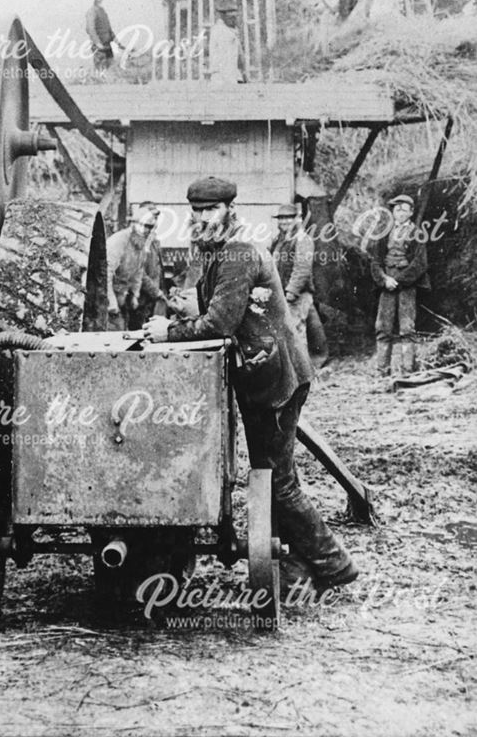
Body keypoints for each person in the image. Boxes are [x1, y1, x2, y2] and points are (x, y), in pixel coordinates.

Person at [143, 176, 358, 594]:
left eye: (212, 209)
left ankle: (335, 564)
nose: (203, 217)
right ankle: (294, 569)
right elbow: (224, 306)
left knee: (277, 480)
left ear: (229, 210)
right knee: (268, 474)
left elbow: (220, 323)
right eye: (198, 211)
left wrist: (169, 331)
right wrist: (191, 306)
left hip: (275, 378)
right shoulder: (219, 250)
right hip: (262, 373)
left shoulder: (238, 251)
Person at [368, 193, 429, 377]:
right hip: (387, 284)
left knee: (407, 328)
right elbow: (375, 260)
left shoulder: (417, 234)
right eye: (396, 209)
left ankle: (407, 372)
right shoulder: (384, 232)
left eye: (404, 210)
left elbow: (420, 264)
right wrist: (384, 279)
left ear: (411, 213)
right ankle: (382, 372)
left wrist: (400, 281)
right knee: (383, 327)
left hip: (406, 286)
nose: (400, 213)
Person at [269, 204, 328, 369]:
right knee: (301, 329)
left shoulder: (303, 240)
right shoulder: (278, 241)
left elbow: (302, 268)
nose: (284, 222)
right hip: (281, 293)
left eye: (288, 218)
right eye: (281, 218)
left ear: (298, 220)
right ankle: (304, 366)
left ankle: (301, 370)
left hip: (296, 295)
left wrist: (291, 291)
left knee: (296, 332)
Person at [106, 206, 159, 331]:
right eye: (144, 226)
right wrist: (111, 301)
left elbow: (138, 272)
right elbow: (106, 273)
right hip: (108, 295)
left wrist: (135, 294)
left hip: (123, 296)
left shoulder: (140, 244)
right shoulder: (119, 241)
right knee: (113, 333)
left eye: (150, 227)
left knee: (124, 330)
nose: (146, 230)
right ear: (134, 224)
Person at [207, 0, 247, 84]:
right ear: (222, 15)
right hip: (222, 77)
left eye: (234, 17)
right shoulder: (219, 30)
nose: (233, 20)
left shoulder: (233, 30)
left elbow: (239, 56)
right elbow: (225, 59)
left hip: (233, 75)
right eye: (230, 17)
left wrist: (243, 73)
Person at [85, 0, 120, 76]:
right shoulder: (92, 11)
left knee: (110, 69)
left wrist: (117, 42)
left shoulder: (102, 11)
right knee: (101, 70)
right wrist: (97, 43)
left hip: (107, 45)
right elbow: (90, 29)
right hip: (99, 47)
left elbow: (108, 29)